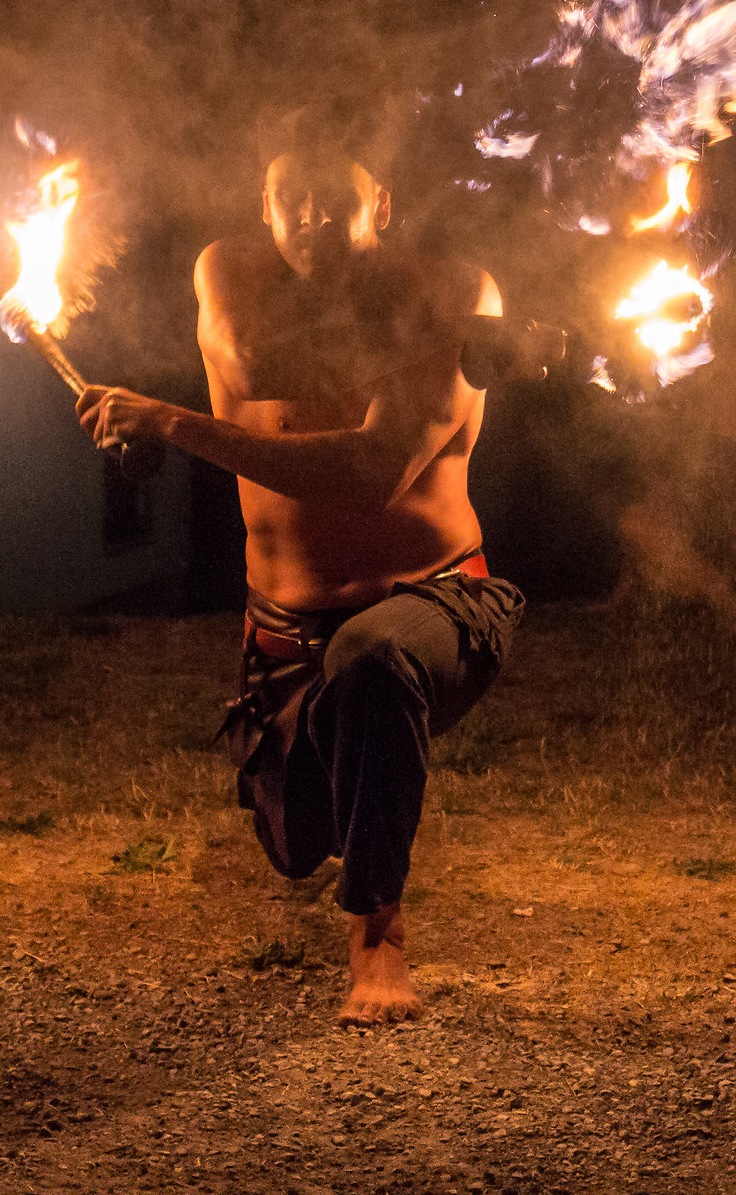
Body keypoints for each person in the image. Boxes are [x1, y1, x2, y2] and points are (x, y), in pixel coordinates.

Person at [73, 105, 523, 1024]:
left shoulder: (462, 288)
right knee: (300, 837)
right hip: (282, 635)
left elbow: (367, 473)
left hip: (437, 603)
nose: (312, 218)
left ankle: (377, 942)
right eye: (292, 198)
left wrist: (169, 421)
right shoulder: (230, 273)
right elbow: (250, 360)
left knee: (373, 658)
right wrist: (440, 335)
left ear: (383, 206)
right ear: (264, 206)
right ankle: (337, 775)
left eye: (336, 199)